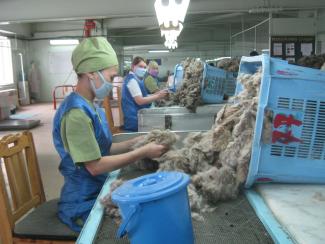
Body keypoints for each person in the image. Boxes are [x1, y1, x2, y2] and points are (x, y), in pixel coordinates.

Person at [52, 37, 167, 232]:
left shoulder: (91, 105)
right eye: (112, 76)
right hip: (84, 199)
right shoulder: (76, 114)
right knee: (140, 224)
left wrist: (137, 142)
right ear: (91, 73)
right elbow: (95, 166)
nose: (113, 82)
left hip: (99, 186)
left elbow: (107, 148)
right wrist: (142, 152)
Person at [122, 57, 167, 131]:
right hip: (134, 120)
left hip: (139, 117)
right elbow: (140, 100)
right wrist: (158, 96)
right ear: (133, 66)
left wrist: (157, 94)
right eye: (140, 66)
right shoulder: (132, 81)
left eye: (144, 67)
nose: (143, 69)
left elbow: (143, 96)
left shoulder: (137, 79)